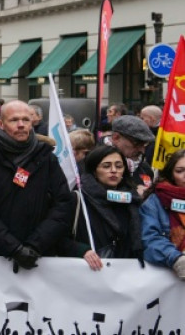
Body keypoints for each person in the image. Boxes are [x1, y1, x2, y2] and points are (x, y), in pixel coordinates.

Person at [0, 101, 72, 271]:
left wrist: (35, 245)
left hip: (40, 256)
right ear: (1, 124)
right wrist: (13, 248)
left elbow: (63, 204)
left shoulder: (47, 158)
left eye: (26, 120)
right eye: (14, 120)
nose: (21, 125)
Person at [59, 146, 142, 271]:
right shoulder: (78, 199)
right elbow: (58, 238)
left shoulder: (133, 200)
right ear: (94, 171)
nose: (114, 171)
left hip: (124, 275)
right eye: (106, 166)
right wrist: (82, 250)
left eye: (119, 166)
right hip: (87, 273)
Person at [141, 149, 185, 279]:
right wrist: (176, 259)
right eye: (179, 171)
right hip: (169, 276)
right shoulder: (155, 201)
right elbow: (150, 239)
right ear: (171, 174)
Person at [110, 115, 157, 195]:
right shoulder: (95, 162)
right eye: (137, 143)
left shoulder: (145, 169)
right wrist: (133, 193)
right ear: (116, 138)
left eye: (145, 144)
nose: (142, 150)